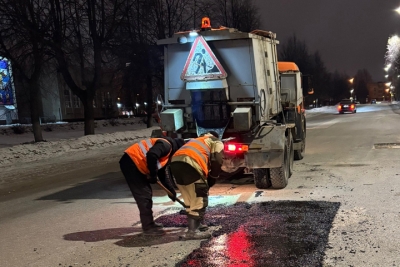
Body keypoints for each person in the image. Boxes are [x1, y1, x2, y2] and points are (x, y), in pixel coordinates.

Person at [119, 136, 185, 235]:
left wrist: (171, 191)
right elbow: (152, 155)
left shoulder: (166, 153)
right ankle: (148, 227)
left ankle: (150, 224)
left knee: (146, 194)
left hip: (135, 163)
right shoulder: (166, 146)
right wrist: (153, 175)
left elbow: (162, 173)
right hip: (131, 163)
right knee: (144, 195)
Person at [169, 131, 224, 240]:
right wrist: (213, 177)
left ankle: (196, 225)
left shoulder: (194, 141)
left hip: (175, 163)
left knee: (189, 197)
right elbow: (217, 159)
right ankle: (193, 232)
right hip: (191, 163)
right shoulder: (215, 140)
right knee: (199, 196)